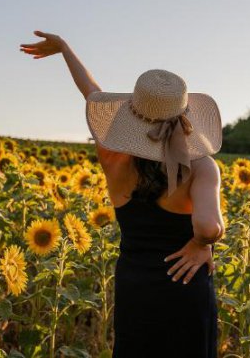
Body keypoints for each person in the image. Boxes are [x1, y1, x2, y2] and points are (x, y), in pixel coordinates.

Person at [20, 30, 225, 358]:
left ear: (131, 113)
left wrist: (65, 50)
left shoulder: (112, 155)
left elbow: (92, 94)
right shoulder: (201, 167)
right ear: (185, 115)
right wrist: (202, 245)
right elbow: (207, 225)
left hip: (136, 283)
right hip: (185, 283)